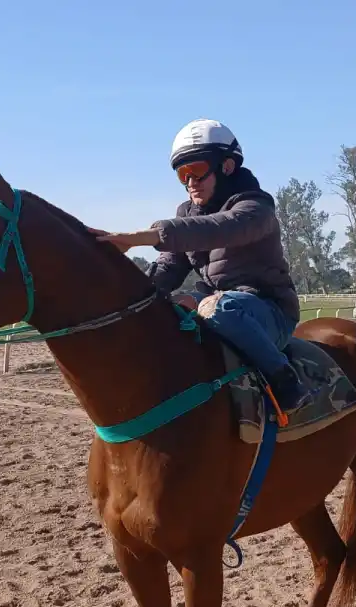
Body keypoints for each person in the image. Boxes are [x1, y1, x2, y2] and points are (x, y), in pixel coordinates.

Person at [92, 118, 313, 413]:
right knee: (163, 308)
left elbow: (220, 227)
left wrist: (140, 237)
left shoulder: (256, 207)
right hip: (214, 301)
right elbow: (169, 267)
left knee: (217, 308)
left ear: (227, 167)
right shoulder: (186, 213)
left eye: (196, 171)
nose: (190, 182)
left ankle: (285, 380)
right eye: (183, 174)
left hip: (268, 312)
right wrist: (127, 293)